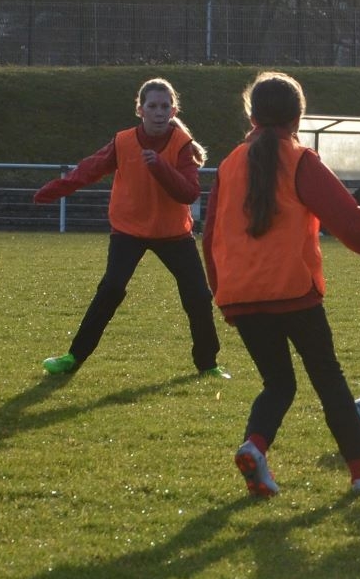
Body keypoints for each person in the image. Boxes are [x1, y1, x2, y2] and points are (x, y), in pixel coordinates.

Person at [203, 72, 360, 499]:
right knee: (328, 379)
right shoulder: (300, 160)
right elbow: (350, 222)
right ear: (298, 118)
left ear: (252, 116)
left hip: (241, 295)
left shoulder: (228, 165)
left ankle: (254, 447)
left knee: (278, 383)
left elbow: (209, 239)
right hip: (293, 292)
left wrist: (222, 295)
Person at [33, 77, 228, 380]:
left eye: (165, 106)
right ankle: (74, 356)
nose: (159, 112)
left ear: (173, 110)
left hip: (173, 233)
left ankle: (208, 364)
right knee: (111, 289)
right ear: (140, 110)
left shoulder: (182, 146)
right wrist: (54, 190)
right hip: (129, 231)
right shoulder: (123, 141)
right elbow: (89, 169)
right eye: (153, 106)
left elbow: (189, 193)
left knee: (198, 296)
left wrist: (159, 166)